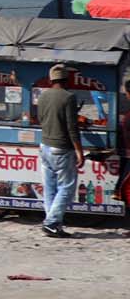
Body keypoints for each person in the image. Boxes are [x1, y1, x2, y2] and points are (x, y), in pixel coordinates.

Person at [36, 64, 86, 238]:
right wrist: (79, 151)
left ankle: (52, 224)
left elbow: (41, 119)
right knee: (66, 187)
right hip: (61, 149)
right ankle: (51, 223)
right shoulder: (68, 97)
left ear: (51, 80)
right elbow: (72, 128)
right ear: (67, 79)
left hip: (44, 146)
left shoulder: (42, 96)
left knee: (49, 187)